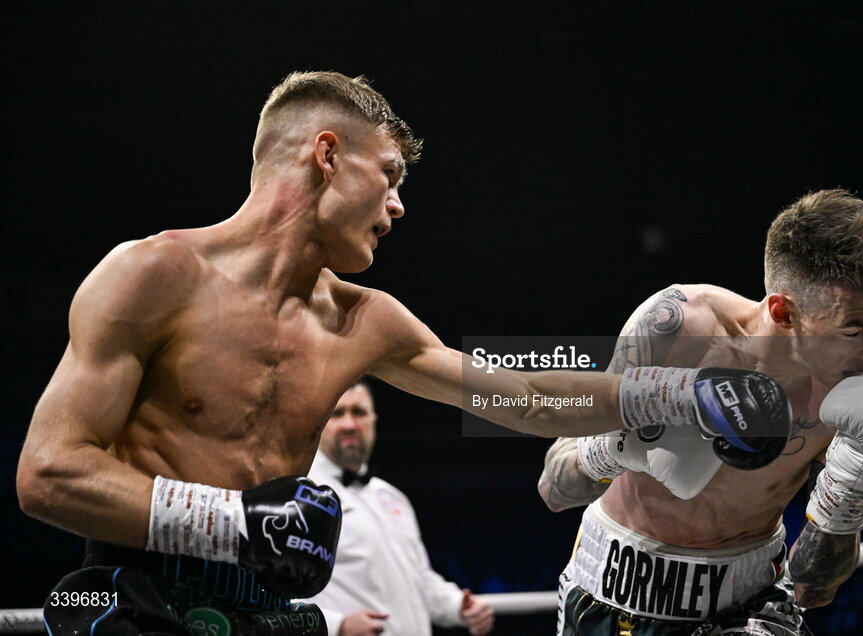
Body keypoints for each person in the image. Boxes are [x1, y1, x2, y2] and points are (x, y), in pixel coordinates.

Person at [16, 71, 789, 634]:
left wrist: (669, 397)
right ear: (325, 154)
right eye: (387, 176)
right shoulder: (152, 274)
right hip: (122, 591)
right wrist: (231, 521)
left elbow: (513, 396)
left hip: (269, 608)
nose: (398, 205)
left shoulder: (366, 320)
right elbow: (45, 473)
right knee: (78, 606)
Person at [538, 189, 863, 635]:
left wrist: (846, 498)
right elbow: (554, 489)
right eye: (853, 329)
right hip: (617, 583)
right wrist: (613, 448)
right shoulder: (677, 328)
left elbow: (812, 584)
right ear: (784, 312)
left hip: (753, 598)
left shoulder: (858, 387)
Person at [301, 379, 494, 636]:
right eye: (337, 413)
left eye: (358, 412)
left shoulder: (391, 497)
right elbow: (275, 591)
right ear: (320, 422)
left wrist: (458, 605)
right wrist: (337, 625)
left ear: (373, 421)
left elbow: (420, 579)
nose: (349, 424)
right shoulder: (300, 495)